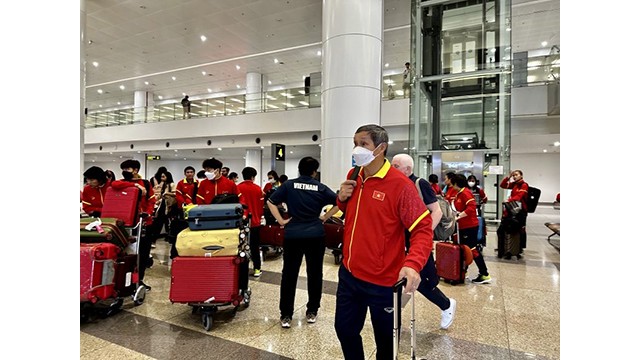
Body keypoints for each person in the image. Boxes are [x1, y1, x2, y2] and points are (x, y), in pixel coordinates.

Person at [334, 124, 433, 359]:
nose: (357, 149)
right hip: (349, 274)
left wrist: (413, 263)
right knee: (345, 330)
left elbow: (422, 228)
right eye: (355, 143)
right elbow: (351, 211)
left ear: (381, 148)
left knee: (386, 344)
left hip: (384, 282)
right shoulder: (354, 175)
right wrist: (341, 198)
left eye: (364, 144)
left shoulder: (400, 185)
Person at [266, 157, 338, 328]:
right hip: (315, 234)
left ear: (299, 170)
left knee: (289, 275)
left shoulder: (289, 185)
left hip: (293, 235)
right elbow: (339, 202)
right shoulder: (320, 187)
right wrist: (325, 217)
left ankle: (286, 315)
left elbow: (271, 202)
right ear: (314, 172)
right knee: (315, 274)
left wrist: (282, 221)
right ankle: (312, 311)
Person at [391, 154, 457, 330]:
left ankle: (446, 304)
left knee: (422, 282)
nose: (392, 168)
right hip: (399, 241)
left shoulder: (420, 184)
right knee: (396, 278)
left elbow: (437, 211)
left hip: (417, 242)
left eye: (396, 166)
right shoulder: (394, 184)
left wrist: (423, 235)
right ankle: (393, 320)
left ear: (408, 169)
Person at [110, 159, 155, 291]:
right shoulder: (124, 183)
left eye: (127, 169)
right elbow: (114, 184)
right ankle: (125, 280)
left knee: (142, 254)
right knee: (128, 253)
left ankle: (139, 280)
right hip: (127, 224)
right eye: (123, 169)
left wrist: (148, 213)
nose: (125, 172)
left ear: (135, 170)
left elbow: (151, 201)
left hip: (144, 223)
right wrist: (135, 186)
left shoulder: (146, 183)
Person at [451, 174, 491, 284]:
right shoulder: (459, 193)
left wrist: (459, 216)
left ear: (456, 183)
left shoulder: (465, 193)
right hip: (463, 226)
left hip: (470, 226)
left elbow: (471, 207)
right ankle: (462, 273)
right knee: (464, 250)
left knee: (472, 250)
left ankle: (484, 274)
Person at [237, 167, 264, 277]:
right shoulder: (258, 189)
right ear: (253, 177)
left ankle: (240, 270)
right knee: (254, 246)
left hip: (241, 222)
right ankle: (257, 269)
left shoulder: (237, 188)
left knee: (240, 246)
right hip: (255, 222)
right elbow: (261, 207)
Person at [500, 169, 529, 255]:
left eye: (516, 175)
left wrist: (509, 200)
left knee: (521, 229)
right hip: (512, 209)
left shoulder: (524, 185)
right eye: (513, 175)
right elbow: (503, 185)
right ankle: (509, 247)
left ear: (521, 176)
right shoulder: (514, 185)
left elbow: (519, 196)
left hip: (521, 211)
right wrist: (508, 177)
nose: (514, 176)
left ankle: (520, 247)